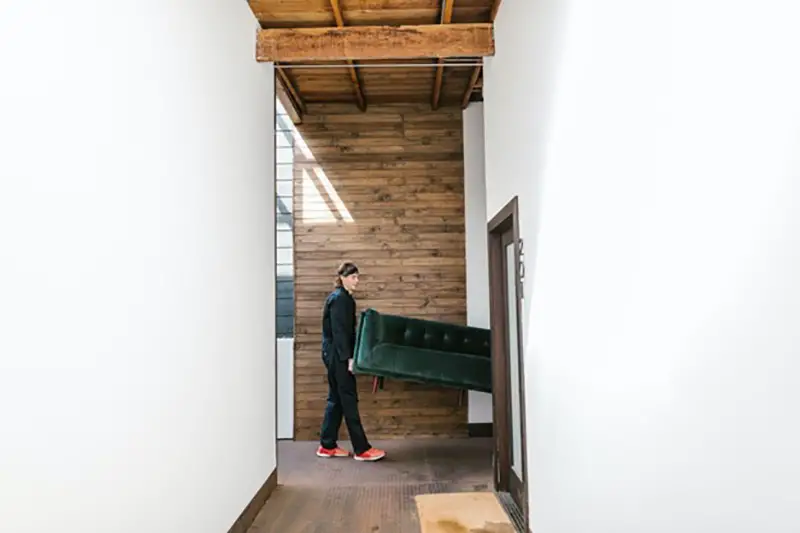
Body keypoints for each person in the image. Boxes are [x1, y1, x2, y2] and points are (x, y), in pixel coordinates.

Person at [316, 262, 386, 462]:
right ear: (343, 277)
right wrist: (348, 359)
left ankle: (327, 445)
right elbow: (340, 333)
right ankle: (362, 449)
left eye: (358, 277)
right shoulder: (341, 300)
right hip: (338, 356)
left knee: (336, 400)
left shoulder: (342, 298)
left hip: (333, 355)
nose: (357, 281)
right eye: (354, 277)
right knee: (348, 399)